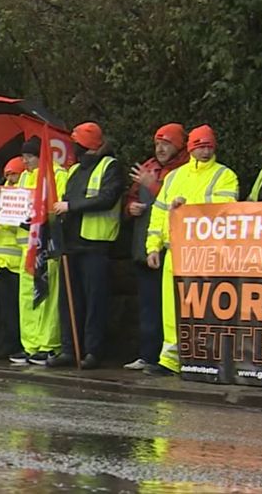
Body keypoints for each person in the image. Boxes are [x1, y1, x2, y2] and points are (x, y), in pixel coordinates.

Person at [146, 125, 238, 376]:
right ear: (190, 148)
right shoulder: (175, 177)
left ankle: (202, 358)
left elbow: (227, 209)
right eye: (199, 146)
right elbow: (159, 212)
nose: (205, 151)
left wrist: (189, 208)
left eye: (208, 146)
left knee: (202, 307)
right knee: (172, 308)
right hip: (175, 250)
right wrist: (152, 246)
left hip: (206, 252)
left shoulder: (224, 175)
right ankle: (171, 360)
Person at [51, 122, 124, 370]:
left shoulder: (110, 167)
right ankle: (70, 349)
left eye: (77, 144)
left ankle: (93, 351)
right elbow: (64, 200)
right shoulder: (73, 171)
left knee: (95, 303)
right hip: (71, 244)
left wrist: (70, 207)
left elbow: (107, 198)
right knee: (69, 302)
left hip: (96, 245)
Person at [122, 123, 189, 371]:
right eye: (157, 143)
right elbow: (130, 197)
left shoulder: (183, 170)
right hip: (144, 246)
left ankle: (169, 358)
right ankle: (148, 355)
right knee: (148, 306)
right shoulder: (149, 166)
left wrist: (152, 186)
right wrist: (130, 208)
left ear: (179, 145)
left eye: (166, 144)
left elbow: (177, 203)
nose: (160, 149)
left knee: (170, 309)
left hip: (172, 250)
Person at [12, 137, 68, 366]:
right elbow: (13, 204)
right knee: (27, 297)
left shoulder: (58, 175)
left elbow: (56, 207)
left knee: (47, 294)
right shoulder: (26, 176)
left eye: (29, 157)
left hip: (47, 244)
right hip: (27, 246)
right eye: (23, 157)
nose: (25, 162)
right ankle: (31, 345)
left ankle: (48, 345)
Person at [0, 157, 25, 359]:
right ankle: (4, 344)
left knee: (12, 308)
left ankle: (9, 345)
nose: (11, 178)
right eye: (8, 174)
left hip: (15, 261)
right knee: (4, 307)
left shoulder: (21, 196)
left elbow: (15, 223)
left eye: (15, 174)